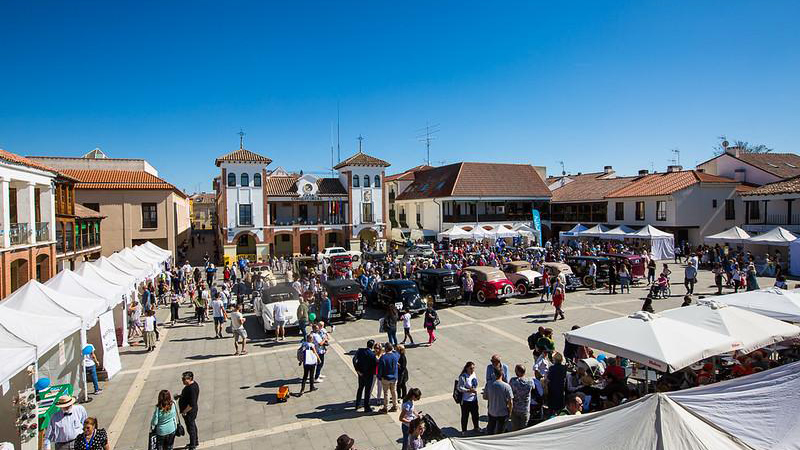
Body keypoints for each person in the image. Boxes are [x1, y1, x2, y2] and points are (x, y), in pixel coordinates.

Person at [483, 367, 513, 435]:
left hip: (492, 411)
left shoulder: (489, 384)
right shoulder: (507, 386)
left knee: (491, 429)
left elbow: (484, 397)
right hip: (503, 413)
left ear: (494, 374)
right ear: (502, 374)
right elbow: (510, 401)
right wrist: (510, 412)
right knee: (500, 432)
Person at [353, 339, 378, 411]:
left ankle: (357, 404)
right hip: (369, 375)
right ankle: (366, 407)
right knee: (367, 391)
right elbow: (376, 363)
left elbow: (354, 360)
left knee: (360, 388)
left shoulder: (360, 351)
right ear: (372, 346)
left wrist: (357, 369)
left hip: (360, 374)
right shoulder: (372, 355)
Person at [177, 371, 199, 450]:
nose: (182, 380)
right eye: (182, 379)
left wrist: (184, 411)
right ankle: (195, 441)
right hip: (189, 411)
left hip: (189, 412)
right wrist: (180, 396)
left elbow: (191, 404)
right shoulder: (190, 386)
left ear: (190, 379)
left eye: (184, 379)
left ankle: (193, 445)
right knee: (192, 426)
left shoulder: (192, 388)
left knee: (191, 428)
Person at [457, 361, 480, 435]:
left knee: (475, 415)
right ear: (467, 368)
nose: (472, 370)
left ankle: (476, 427)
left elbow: (475, 383)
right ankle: (464, 430)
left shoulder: (473, 374)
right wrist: (468, 390)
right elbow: (459, 387)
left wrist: (474, 390)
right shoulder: (463, 377)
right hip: (466, 400)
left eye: (473, 368)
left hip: (474, 399)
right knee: (465, 416)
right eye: (471, 368)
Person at [509, 365, 533, 431]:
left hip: (515, 409)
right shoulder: (530, 382)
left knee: (515, 430)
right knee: (524, 431)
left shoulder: (513, 381)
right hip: (525, 410)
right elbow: (533, 387)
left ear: (518, 372)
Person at [378, 342, 400, 413]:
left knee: (386, 393)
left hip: (385, 378)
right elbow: (397, 352)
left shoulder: (383, 358)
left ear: (386, 349)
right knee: (394, 392)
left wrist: (379, 377)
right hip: (394, 378)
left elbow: (380, 369)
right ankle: (395, 406)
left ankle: (385, 408)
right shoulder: (395, 356)